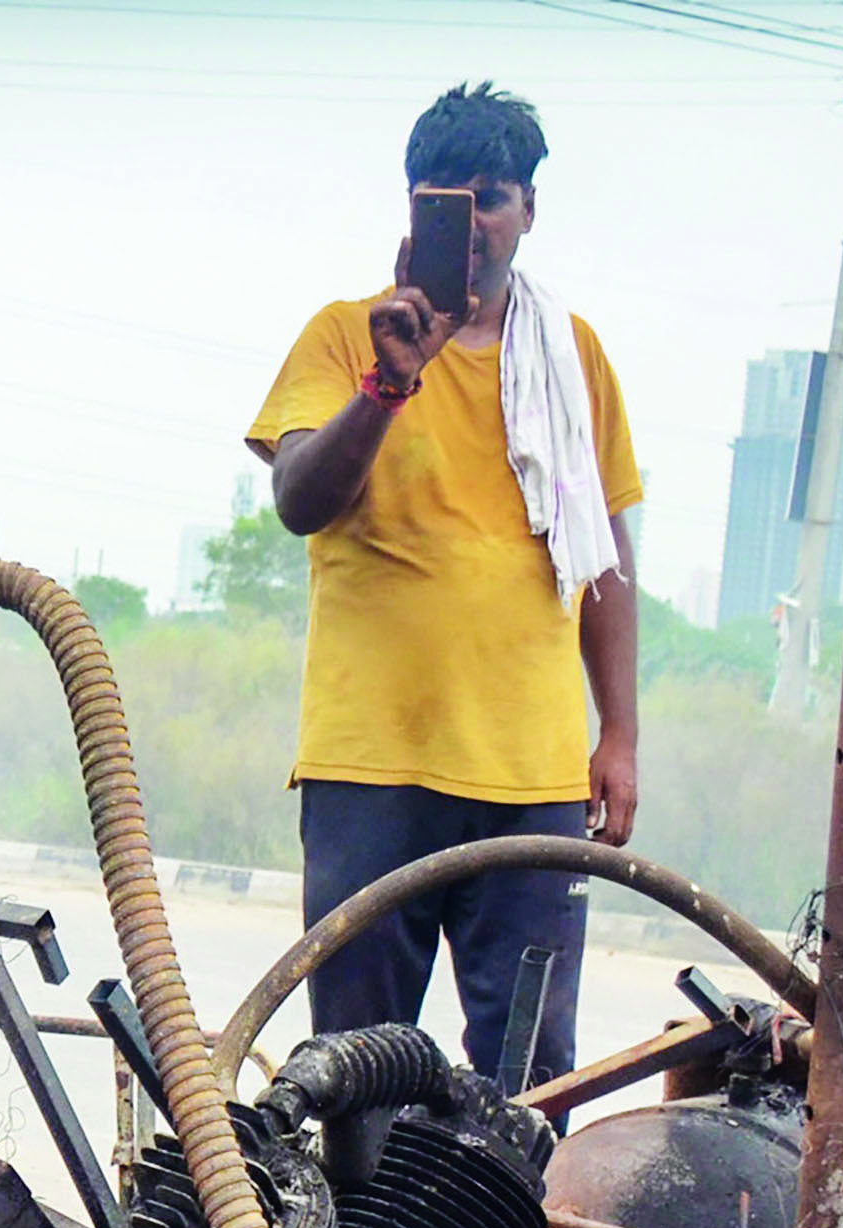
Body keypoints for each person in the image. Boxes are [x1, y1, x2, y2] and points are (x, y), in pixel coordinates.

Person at [243, 81, 641, 1088]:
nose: (471, 225)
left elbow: (605, 562)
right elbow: (300, 497)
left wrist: (621, 737)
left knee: (529, 1075)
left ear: (528, 213)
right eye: (443, 200)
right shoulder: (345, 336)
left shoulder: (573, 356)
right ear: (412, 205)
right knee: (350, 1073)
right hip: (375, 771)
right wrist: (390, 380)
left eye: (493, 199)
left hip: (533, 780)